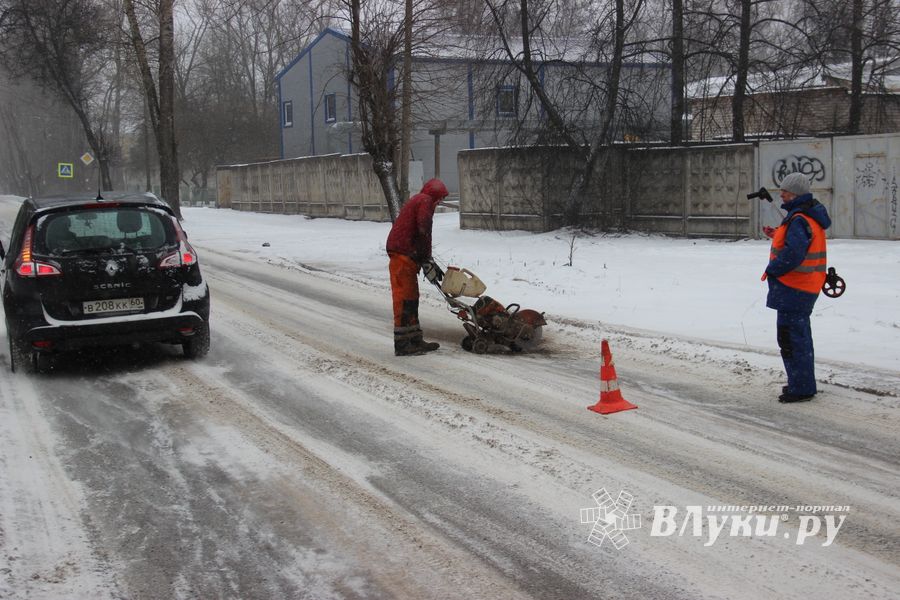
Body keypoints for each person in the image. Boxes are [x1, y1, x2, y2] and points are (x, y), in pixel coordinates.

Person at [762, 171, 832, 403]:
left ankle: (801, 387)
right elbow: (797, 243)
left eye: (785, 191)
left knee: (792, 339)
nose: (781, 194)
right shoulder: (806, 217)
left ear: (796, 194)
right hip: (804, 287)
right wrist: (777, 235)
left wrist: (773, 268)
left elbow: (794, 253)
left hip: (795, 287)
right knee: (797, 337)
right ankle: (800, 382)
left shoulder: (799, 218)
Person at [386, 178, 448, 356]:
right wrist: (425, 257)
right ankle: (403, 344)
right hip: (402, 254)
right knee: (404, 298)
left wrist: (425, 258)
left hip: (407, 254)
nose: (440, 202)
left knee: (411, 297)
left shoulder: (420, 199)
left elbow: (423, 234)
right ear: (435, 195)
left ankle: (414, 339)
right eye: (440, 198)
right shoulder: (425, 201)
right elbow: (424, 230)